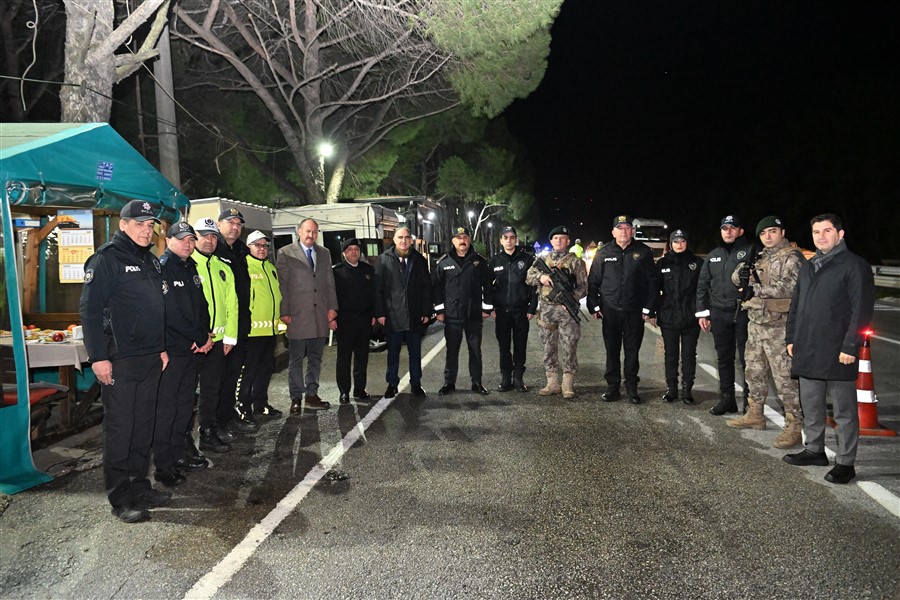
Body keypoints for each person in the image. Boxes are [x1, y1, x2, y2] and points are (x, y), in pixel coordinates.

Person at [79, 200, 171, 523]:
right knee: (121, 428)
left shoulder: (150, 261)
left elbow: (153, 308)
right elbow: (90, 312)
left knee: (143, 425)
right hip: (119, 360)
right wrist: (99, 358)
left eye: (150, 225)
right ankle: (120, 497)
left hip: (149, 359)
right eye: (140, 224)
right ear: (123, 225)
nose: (147, 230)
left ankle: (140, 485)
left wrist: (160, 347)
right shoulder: (106, 259)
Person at [783, 214, 875, 484]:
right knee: (811, 405)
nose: (821, 236)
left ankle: (846, 463)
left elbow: (862, 309)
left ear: (840, 234)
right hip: (808, 348)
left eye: (827, 231)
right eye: (816, 232)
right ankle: (814, 449)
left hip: (839, 352)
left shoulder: (854, 265)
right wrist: (791, 338)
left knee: (844, 412)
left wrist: (851, 345)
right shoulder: (808, 266)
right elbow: (796, 306)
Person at [725, 216, 805, 448]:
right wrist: (742, 273)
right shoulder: (759, 256)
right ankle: (755, 414)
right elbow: (736, 278)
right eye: (763, 233)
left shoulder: (792, 257)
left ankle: (794, 426)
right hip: (756, 324)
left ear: (782, 232)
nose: (768, 237)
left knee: (785, 379)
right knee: (754, 372)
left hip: (779, 326)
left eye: (772, 231)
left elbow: (793, 286)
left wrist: (757, 289)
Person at [153, 222, 213, 487]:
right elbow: (169, 313)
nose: (188, 244)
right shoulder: (163, 268)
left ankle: (179, 454)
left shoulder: (192, 267)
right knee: (167, 410)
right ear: (168, 240)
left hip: (192, 350)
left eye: (191, 239)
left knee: (185, 407)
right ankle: (163, 465)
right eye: (182, 239)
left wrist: (206, 334)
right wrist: (197, 336)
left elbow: (202, 305)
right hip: (174, 351)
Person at [588, 215, 657, 404]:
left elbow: (652, 282)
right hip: (610, 311)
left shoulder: (643, 252)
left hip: (634, 311)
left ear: (632, 231)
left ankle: (632, 388)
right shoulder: (603, 253)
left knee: (632, 351)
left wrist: (649, 308)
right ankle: (612, 387)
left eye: (627, 228)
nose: (624, 231)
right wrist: (593, 305)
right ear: (613, 232)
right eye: (620, 228)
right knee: (612, 350)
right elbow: (593, 282)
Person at [695, 214, 754, 415]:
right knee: (724, 358)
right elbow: (702, 285)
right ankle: (727, 399)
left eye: (732, 228)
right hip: (719, 313)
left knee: (748, 359)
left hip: (743, 312)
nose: (728, 231)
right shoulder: (713, 256)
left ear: (741, 231)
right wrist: (703, 314)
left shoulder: (751, 251)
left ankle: (750, 404)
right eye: (724, 228)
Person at [277, 218, 337, 413]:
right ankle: (296, 397)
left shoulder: (325, 253)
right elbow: (283, 285)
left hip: (319, 315)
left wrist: (332, 308)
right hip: (297, 316)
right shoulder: (285, 253)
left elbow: (329, 282)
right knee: (295, 360)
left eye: (314, 232)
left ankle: (312, 394)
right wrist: (284, 311)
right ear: (299, 232)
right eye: (308, 231)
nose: (311, 235)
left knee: (316, 359)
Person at [192, 217, 240, 454]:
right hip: (192, 344)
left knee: (212, 390)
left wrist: (230, 336)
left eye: (213, 236)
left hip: (218, 343)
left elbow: (232, 304)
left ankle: (208, 432)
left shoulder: (223, 266)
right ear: (194, 237)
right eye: (204, 235)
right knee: (185, 395)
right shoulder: (187, 264)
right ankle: (183, 442)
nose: (209, 240)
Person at [525, 225, 587, 399]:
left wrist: (570, 298)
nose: (559, 241)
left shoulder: (576, 261)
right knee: (548, 346)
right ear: (551, 241)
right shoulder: (543, 260)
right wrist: (541, 277)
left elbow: (583, 287)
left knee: (570, 346)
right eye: (556, 238)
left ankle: (567, 382)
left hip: (567, 310)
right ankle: (552, 382)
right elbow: (529, 277)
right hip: (546, 310)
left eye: (563, 238)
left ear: (568, 241)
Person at [374, 227, 432, 400]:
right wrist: (380, 313)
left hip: (414, 316)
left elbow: (426, 288)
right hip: (393, 316)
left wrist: (426, 311)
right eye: (400, 237)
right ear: (394, 240)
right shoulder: (383, 260)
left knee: (415, 353)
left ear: (411, 240)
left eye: (407, 237)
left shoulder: (419, 260)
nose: (404, 240)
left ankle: (416, 383)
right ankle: (392, 384)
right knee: (393, 353)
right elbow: (378, 289)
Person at [433, 227, 492, 396]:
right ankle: (449, 383)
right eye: (458, 237)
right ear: (453, 241)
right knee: (452, 351)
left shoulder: (479, 261)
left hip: (473, 314)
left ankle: (477, 382)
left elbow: (488, 285)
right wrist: (440, 311)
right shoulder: (443, 262)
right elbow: (437, 288)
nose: (462, 240)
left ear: (469, 239)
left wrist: (487, 308)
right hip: (452, 315)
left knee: (475, 351)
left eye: (465, 237)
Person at [214, 208, 256, 434]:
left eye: (238, 224)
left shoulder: (241, 251)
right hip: (220, 329)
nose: (235, 227)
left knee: (232, 376)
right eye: (230, 222)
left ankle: (229, 417)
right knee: (217, 380)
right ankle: (215, 424)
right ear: (219, 225)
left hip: (239, 325)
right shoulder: (214, 249)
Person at [653, 229, 703, 404]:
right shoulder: (663, 263)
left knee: (689, 355)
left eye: (682, 241)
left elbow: (702, 291)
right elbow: (654, 289)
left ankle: (687, 391)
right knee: (671, 355)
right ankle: (672, 390)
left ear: (687, 242)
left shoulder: (697, 263)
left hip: (690, 318)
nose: (679, 244)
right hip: (669, 316)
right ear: (671, 244)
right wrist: (653, 310)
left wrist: (703, 314)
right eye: (675, 241)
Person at [238, 230, 284, 418]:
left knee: (265, 371)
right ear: (249, 247)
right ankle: (243, 406)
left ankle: (260, 403)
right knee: (249, 372)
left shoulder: (271, 268)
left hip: (270, 331)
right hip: (252, 332)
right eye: (257, 245)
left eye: (265, 245)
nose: (262, 249)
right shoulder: (245, 267)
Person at [489, 226, 537, 392]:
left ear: (516, 239)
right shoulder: (494, 261)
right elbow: (487, 288)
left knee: (520, 345)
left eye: (512, 237)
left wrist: (532, 307)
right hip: (501, 312)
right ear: (501, 240)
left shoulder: (527, 260)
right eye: (505, 237)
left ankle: (518, 379)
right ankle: (505, 378)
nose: (509, 240)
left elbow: (533, 286)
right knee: (503, 346)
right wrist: (490, 309)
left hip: (521, 311)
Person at [332, 237, 376, 404]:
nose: (353, 252)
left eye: (356, 249)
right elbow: (331, 297)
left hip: (364, 320)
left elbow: (373, 295)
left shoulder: (368, 270)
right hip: (344, 321)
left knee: (362, 357)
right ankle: (344, 391)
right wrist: (332, 317)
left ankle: (359, 389)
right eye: (349, 249)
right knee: (344, 358)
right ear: (344, 253)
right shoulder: (336, 271)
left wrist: (373, 314)